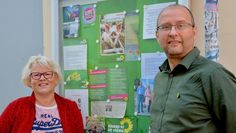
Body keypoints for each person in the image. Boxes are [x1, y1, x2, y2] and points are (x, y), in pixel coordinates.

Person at [150, 4, 236, 133]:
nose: (173, 33)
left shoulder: (213, 74)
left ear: (194, 32)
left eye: (181, 25)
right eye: (166, 27)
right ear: (157, 35)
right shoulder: (160, 77)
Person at [0, 55, 84, 132]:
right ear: (29, 80)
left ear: (56, 77)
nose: (42, 78)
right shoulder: (15, 107)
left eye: (47, 74)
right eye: (36, 75)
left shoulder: (71, 107)